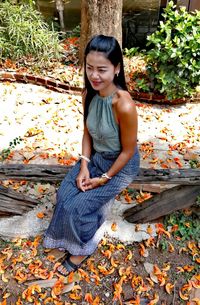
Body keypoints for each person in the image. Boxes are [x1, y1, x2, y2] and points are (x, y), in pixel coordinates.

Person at [43, 34, 140, 276]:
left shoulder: (124, 105)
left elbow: (128, 151)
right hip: (95, 157)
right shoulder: (89, 94)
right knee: (64, 194)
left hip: (120, 165)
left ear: (117, 69)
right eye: (89, 68)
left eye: (102, 70)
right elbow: (87, 133)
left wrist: (104, 178)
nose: (94, 76)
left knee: (78, 207)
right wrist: (84, 166)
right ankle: (73, 233)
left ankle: (84, 247)